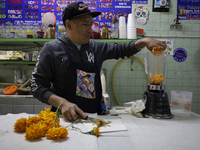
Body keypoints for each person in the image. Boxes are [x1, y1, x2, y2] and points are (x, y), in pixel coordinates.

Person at [31, 1, 167, 121]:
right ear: (68, 25)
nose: (90, 29)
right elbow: (37, 86)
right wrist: (63, 103)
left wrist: (143, 41)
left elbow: (122, 49)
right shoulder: (51, 49)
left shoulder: (97, 47)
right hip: (62, 119)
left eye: (91, 24)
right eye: (85, 24)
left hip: (93, 118)